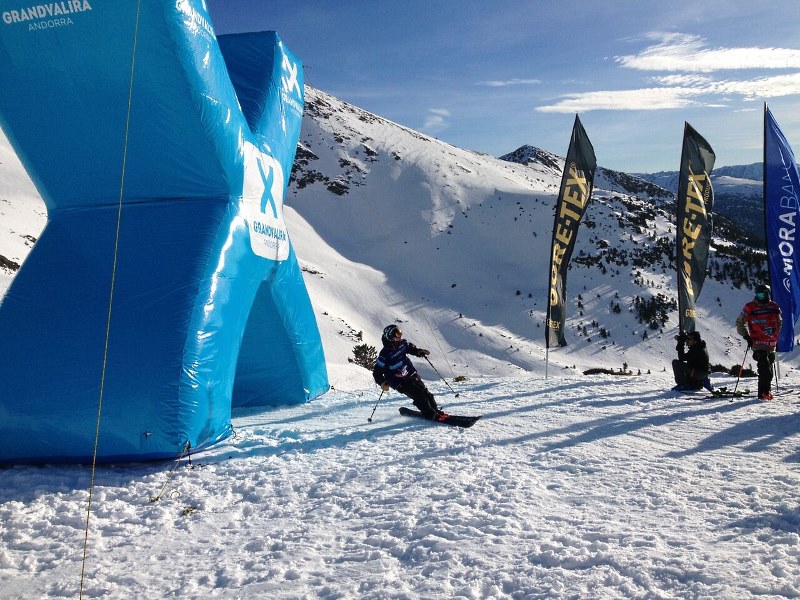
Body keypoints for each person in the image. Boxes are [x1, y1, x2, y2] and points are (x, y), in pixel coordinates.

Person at [372, 324, 445, 420]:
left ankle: (435, 410)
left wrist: (418, 352)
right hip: (399, 382)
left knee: (427, 393)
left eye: (400, 334)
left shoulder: (403, 344)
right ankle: (430, 414)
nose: (400, 337)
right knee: (419, 395)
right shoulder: (384, 355)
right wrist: (382, 382)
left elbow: (410, 348)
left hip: (411, 374)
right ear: (391, 338)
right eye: (397, 336)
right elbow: (377, 372)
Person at [737, 283, 782, 400]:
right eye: (758, 294)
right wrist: (746, 336)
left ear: (768, 294)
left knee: (768, 371)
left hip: (771, 344)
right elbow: (739, 322)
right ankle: (763, 394)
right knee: (764, 368)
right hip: (757, 344)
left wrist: (775, 334)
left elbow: (779, 322)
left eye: (763, 294)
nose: (761, 297)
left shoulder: (774, 306)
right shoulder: (750, 307)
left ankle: (765, 391)